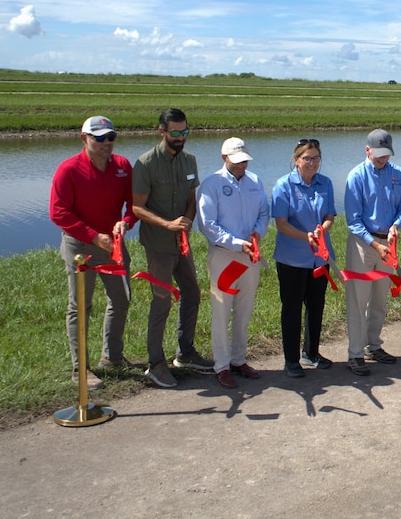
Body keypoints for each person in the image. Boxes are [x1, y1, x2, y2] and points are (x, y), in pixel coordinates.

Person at [49, 115, 138, 390]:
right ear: (83, 138)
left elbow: (134, 205)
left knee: (121, 299)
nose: (105, 143)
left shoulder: (123, 166)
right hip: (81, 246)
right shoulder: (68, 169)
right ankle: (81, 370)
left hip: (113, 245)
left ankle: (111, 357)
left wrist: (126, 222)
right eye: (98, 138)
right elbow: (58, 212)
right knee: (80, 307)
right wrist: (92, 236)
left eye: (110, 137)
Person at [132, 108, 213, 388]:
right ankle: (155, 365)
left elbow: (192, 197)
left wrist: (188, 219)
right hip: (158, 245)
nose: (181, 138)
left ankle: (185, 353)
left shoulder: (190, 161)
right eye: (175, 133)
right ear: (162, 131)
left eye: (185, 132)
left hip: (182, 244)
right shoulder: (145, 164)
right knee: (162, 302)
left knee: (192, 293)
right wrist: (167, 225)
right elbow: (137, 207)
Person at [197, 137, 270, 389]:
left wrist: (258, 233)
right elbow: (207, 225)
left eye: (244, 161)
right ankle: (222, 365)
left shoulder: (255, 181)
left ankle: (239, 359)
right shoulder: (211, 184)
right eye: (236, 162)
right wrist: (238, 244)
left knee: (244, 308)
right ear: (224, 158)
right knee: (221, 311)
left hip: (251, 255)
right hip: (223, 256)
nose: (241, 166)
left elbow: (263, 212)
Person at [343, 129, 401, 376]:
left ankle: (374, 345)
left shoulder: (398, 174)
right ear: (367, 150)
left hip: (387, 245)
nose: (383, 159)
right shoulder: (356, 176)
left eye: (387, 155)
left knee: (380, 299)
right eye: (379, 154)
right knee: (358, 301)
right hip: (364, 245)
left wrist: (396, 226)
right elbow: (353, 220)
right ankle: (355, 353)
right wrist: (375, 244)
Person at [272, 139, 336, 377]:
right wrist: (306, 236)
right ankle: (291, 360)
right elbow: (281, 224)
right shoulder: (283, 185)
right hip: (292, 259)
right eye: (307, 158)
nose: (312, 163)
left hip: (320, 258)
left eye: (316, 158)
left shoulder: (325, 183)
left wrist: (324, 228)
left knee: (316, 306)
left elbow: (330, 214)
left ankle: (311, 353)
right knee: (291, 309)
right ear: (296, 159)